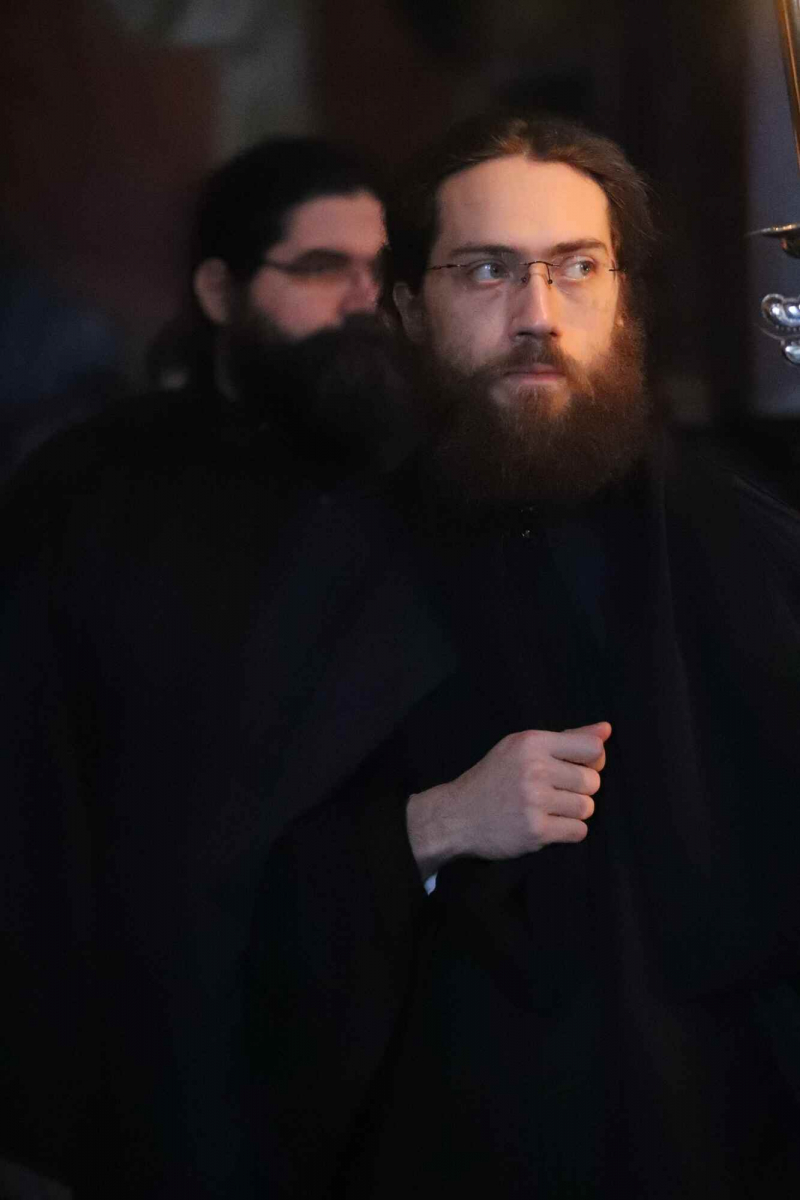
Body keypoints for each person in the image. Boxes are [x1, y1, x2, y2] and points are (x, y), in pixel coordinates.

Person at [247, 111, 800, 1198]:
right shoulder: (315, 567)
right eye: (488, 270)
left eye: (576, 267)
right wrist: (436, 825)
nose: (537, 315)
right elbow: (209, 909)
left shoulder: (754, 542)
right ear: (409, 306)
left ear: (622, 298)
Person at [0, 136, 424, 1198]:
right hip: (161, 1031)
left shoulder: (423, 478)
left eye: (379, 271)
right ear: (219, 291)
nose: (363, 301)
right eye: (322, 268)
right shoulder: (89, 488)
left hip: (389, 1046)